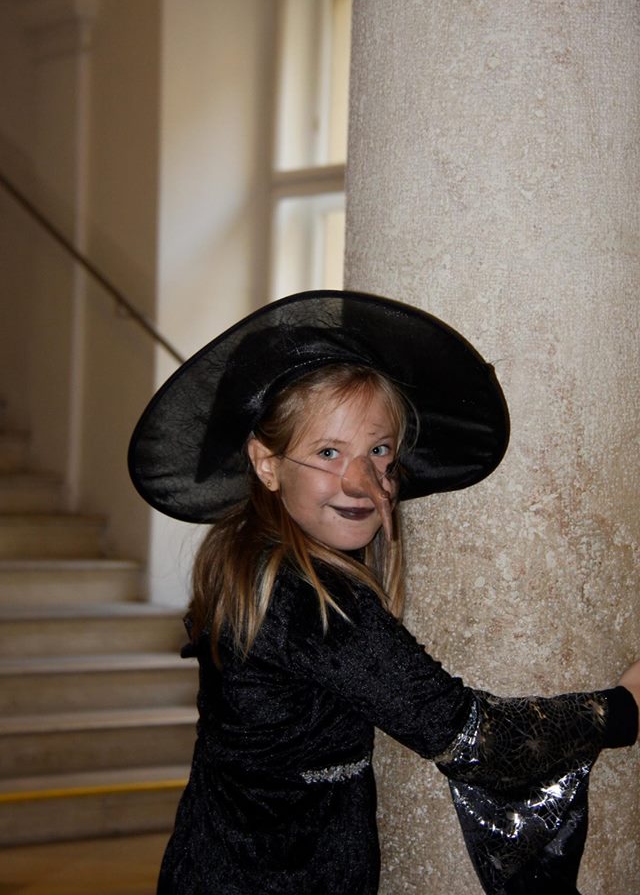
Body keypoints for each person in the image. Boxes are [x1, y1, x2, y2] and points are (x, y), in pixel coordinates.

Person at [128, 290, 638, 895]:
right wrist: (623, 707)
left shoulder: (253, 562)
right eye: (327, 452)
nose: (361, 480)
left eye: (378, 451)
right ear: (267, 463)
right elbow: (475, 739)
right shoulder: (310, 602)